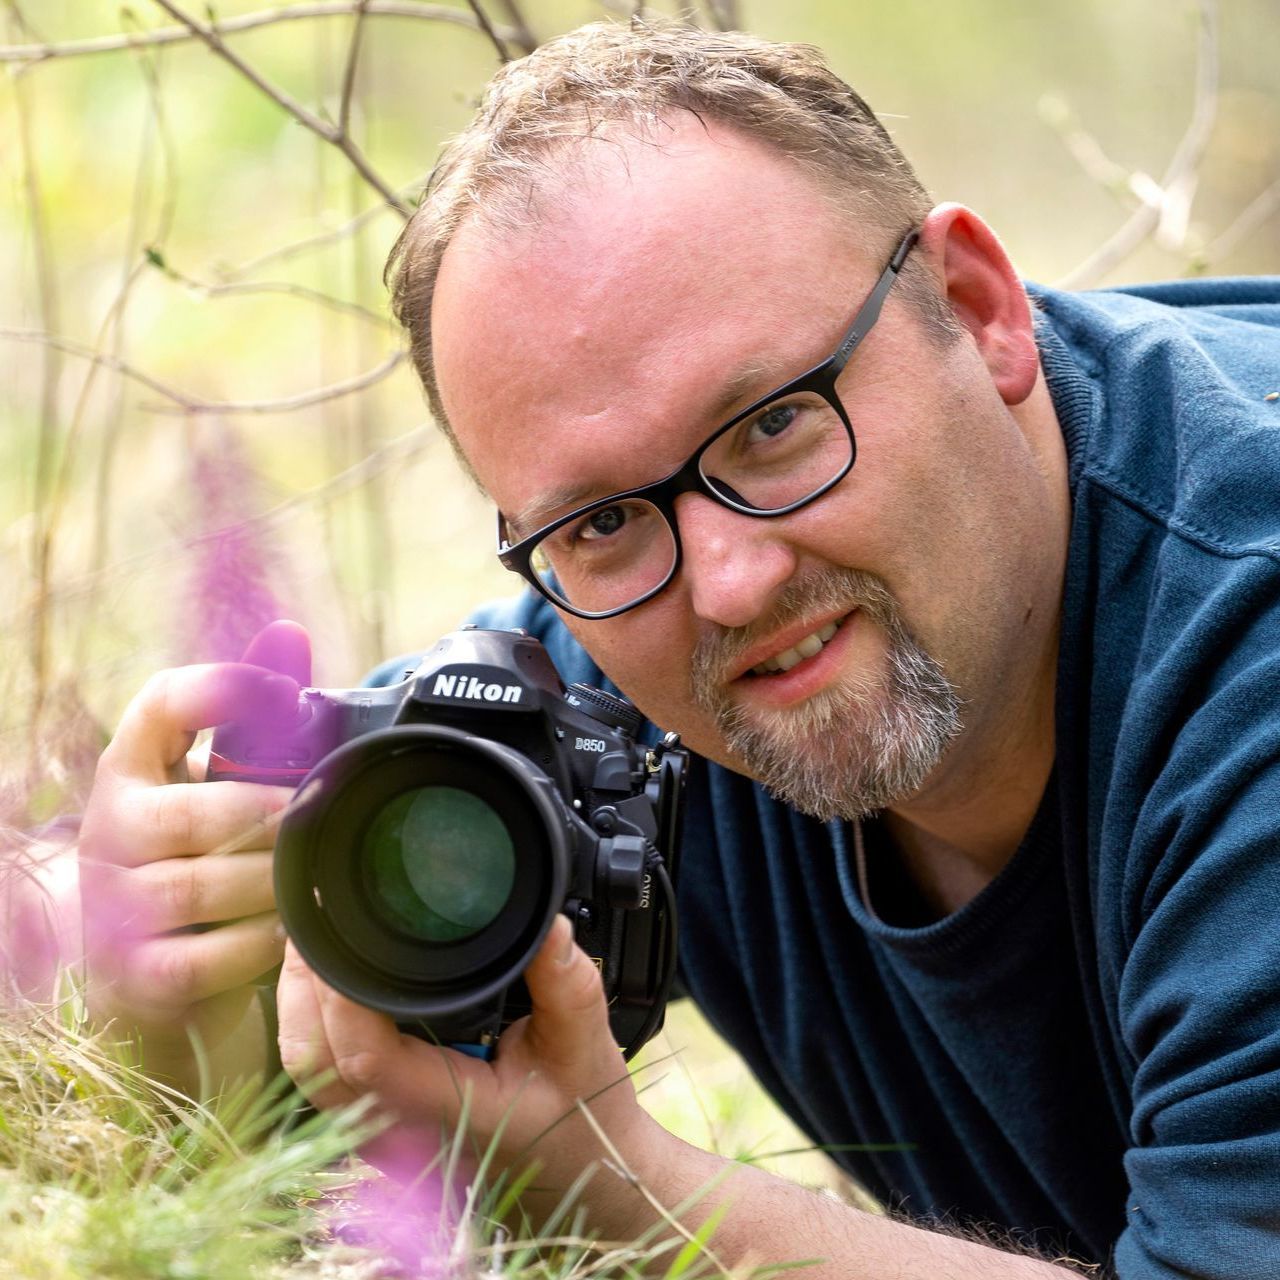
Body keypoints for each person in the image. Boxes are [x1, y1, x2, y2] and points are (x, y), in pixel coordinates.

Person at [75, 18, 1280, 1279]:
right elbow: (230, 1132)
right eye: (597, 520)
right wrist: (178, 992)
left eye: (771, 425)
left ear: (977, 310)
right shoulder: (612, 691)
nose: (728, 582)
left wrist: (610, 1181)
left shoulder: (1240, 641)